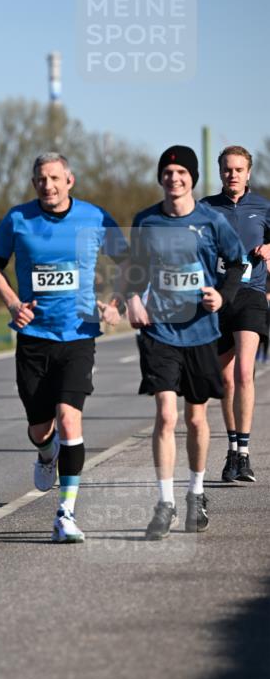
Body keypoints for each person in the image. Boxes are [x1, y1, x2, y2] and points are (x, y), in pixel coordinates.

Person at [0, 151, 128, 544]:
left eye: (54, 178)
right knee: (40, 427)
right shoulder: (18, 219)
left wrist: (116, 304)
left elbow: (128, 260)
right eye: (41, 180)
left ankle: (65, 514)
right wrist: (13, 304)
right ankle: (46, 452)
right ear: (34, 184)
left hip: (79, 335)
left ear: (69, 180)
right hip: (33, 338)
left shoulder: (94, 217)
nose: (47, 185)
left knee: (69, 418)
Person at [123, 145, 246, 540]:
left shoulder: (211, 221)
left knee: (195, 419)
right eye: (168, 172)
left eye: (181, 173)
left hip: (201, 332)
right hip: (159, 331)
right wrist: (132, 298)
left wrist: (222, 296)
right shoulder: (146, 221)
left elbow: (237, 262)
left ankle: (195, 493)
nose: (174, 178)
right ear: (160, 177)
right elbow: (132, 269)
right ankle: (165, 503)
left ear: (192, 178)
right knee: (165, 415)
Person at [200, 146, 270, 483]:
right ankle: (232, 451)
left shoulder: (263, 207)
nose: (233, 175)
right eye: (228, 169)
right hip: (217, 300)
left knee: (244, 372)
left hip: (251, 295)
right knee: (225, 379)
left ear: (248, 173)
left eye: (239, 169)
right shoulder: (205, 208)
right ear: (220, 172)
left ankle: (244, 454)